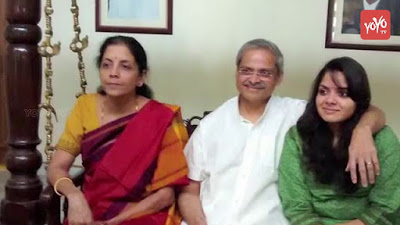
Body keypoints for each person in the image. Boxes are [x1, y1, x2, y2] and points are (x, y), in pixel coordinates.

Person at [178, 39, 385, 225]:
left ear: (279, 77)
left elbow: (365, 109)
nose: (254, 79)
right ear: (236, 72)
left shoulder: (298, 114)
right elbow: (189, 191)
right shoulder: (211, 124)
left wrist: (363, 130)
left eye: (264, 72)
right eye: (246, 70)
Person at [47, 35, 189, 225]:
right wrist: (74, 196)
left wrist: (112, 223)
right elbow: (57, 167)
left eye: (125, 66)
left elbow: (166, 195)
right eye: (106, 65)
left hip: (142, 214)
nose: (113, 73)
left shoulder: (161, 117)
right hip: (90, 212)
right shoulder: (84, 106)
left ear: (141, 77)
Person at [278, 57, 400, 225]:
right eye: (323, 91)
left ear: (359, 99)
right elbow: (296, 205)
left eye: (342, 93)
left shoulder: (382, 139)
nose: (329, 100)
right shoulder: (298, 137)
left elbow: (387, 206)